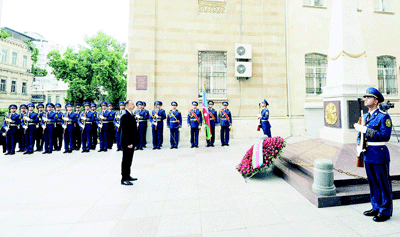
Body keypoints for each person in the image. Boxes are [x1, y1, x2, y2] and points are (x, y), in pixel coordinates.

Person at [354, 87, 393, 222]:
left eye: (368, 97)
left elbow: (385, 136)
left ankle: (385, 211)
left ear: (376, 101)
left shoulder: (383, 116)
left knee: (383, 183)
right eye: (365, 97)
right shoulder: (365, 116)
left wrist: (366, 130)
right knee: (373, 182)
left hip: (379, 153)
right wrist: (359, 145)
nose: (365, 99)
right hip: (367, 153)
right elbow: (360, 135)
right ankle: (376, 206)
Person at [120, 100, 139, 185]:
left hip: (131, 141)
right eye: (132, 104)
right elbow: (124, 131)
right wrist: (128, 143)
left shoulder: (130, 114)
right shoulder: (124, 115)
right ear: (127, 105)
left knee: (129, 159)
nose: (134, 105)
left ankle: (128, 175)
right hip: (127, 142)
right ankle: (124, 178)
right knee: (126, 160)